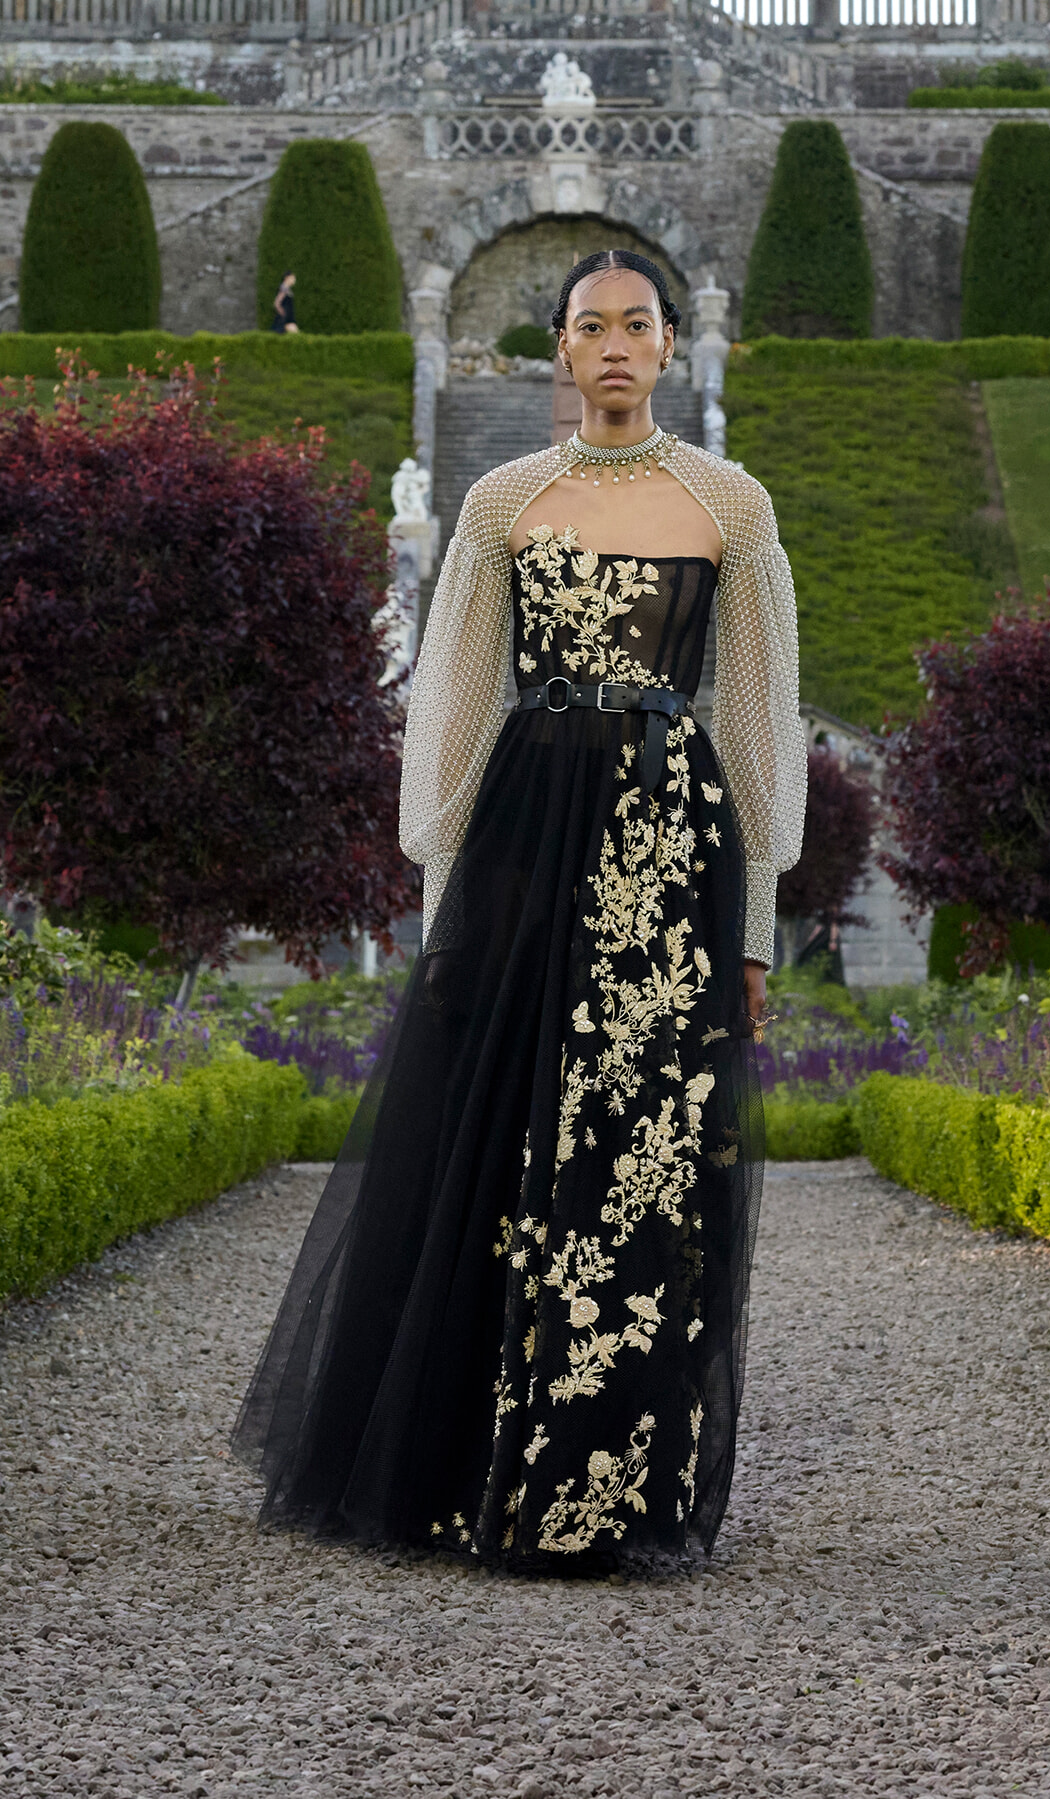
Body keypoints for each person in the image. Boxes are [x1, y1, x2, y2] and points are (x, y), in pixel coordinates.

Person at [233, 249, 807, 1572]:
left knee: (641, 1155)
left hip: (671, 854)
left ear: (673, 346)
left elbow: (758, 726)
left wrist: (757, 924)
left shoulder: (731, 504)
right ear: (561, 349)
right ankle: (458, 1471)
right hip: (525, 844)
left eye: (638, 326)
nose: (614, 347)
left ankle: (611, 1489)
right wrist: (446, 896)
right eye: (590, 327)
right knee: (494, 1136)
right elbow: (454, 707)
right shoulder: (503, 500)